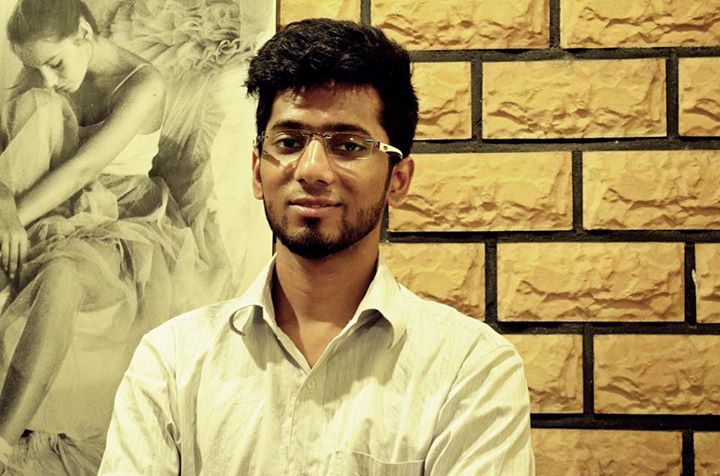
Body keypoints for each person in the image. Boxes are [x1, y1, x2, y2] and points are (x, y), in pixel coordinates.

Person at [99, 18, 535, 475]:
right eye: (289, 142)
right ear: (257, 171)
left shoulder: (469, 369)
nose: (311, 170)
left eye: (348, 146)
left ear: (398, 180)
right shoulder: (173, 361)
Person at [0, 0, 202, 473]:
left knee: (63, 275)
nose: (49, 78)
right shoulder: (44, 74)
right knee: (36, 106)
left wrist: (10, 221)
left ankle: (2, 441)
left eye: (55, 64)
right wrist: (4, 205)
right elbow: (8, 150)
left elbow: (82, 170)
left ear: (84, 34)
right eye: (37, 67)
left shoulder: (144, 84)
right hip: (44, 202)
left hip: (118, 218)